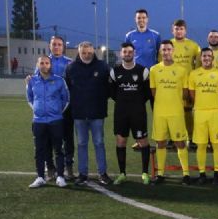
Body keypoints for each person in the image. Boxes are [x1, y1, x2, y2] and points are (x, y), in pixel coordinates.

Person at [64, 41, 111, 185]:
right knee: (81, 144)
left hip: (97, 113)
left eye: (89, 52)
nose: (86, 55)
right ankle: (82, 174)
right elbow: (67, 90)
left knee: (99, 143)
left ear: (93, 52)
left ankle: (102, 173)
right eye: (83, 52)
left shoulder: (103, 66)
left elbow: (110, 87)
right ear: (79, 52)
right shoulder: (71, 67)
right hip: (78, 114)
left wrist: (101, 101)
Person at [109, 43, 151, 185]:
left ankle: (145, 173)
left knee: (143, 141)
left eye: (130, 52)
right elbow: (112, 93)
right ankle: (122, 174)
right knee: (121, 141)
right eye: (125, 52)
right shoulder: (115, 71)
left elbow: (147, 93)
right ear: (121, 54)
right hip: (121, 112)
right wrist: (124, 101)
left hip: (138, 112)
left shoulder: (143, 71)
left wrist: (135, 103)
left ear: (134, 53)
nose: (127, 54)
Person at [150, 40, 190, 185]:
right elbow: (154, 92)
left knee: (180, 143)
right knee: (160, 142)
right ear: (160, 52)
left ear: (173, 51)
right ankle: (160, 174)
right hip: (160, 113)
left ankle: (186, 174)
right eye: (164, 50)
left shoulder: (181, 70)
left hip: (176, 113)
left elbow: (185, 93)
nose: (166, 52)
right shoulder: (154, 70)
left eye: (168, 49)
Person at [26, 56, 70, 188]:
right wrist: (38, 111)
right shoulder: (32, 81)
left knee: (58, 149)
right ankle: (40, 177)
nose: (44, 65)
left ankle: (60, 176)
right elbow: (29, 98)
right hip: (38, 121)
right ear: (38, 65)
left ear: (50, 65)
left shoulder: (59, 80)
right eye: (42, 63)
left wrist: (56, 112)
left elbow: (66, 99)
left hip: (56, 120)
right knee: (39, 150)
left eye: (47, 63)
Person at [189, 48, 218, 185]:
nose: (206, 58)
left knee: (217, 144)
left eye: (209, 56)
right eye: (204, 56)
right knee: (201, 145)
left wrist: (213, 102)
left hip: (216, 112)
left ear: (212, 58)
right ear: (201, 58)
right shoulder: (194, 74)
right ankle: (202, 174)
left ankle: (217, 174)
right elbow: (192, 94)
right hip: (200, 112)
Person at [165, 19, 201, 148]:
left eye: (181, 29)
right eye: (176, 28)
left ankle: (191, 139)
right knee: (171, 113)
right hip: (171, 85)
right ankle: (172, 138)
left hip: (188, 85)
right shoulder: (168, 45)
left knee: (188, 113)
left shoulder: (194, 46)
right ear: (172, 30)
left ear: (185, 30)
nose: (178, 31)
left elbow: (198, 66)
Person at [45, 35, 74, 180]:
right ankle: (50, 167)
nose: (56, 47)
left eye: (59, 44)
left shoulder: (70, 63)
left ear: (63, 47)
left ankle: (69, 167)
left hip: (66, 107)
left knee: (68, 137)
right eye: (54, 44)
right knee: (48, 138)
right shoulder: (44, 62)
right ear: (50, 46)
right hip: (48, 108)